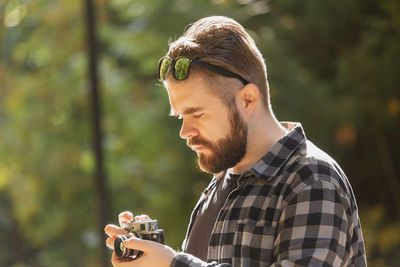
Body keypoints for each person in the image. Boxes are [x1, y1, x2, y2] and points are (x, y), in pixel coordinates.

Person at [104, 16, 367, 267]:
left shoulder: (312, 180)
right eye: (180, 117)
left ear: (248, 99)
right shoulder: (223, 180)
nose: (185, 131)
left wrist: (173, 263)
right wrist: (152, 254)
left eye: (197, 114)